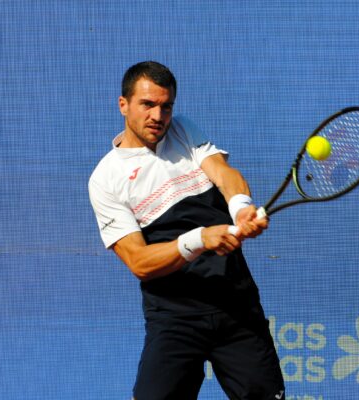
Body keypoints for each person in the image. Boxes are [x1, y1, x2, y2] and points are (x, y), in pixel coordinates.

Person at [88, 61, 285, 400]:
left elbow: (224, 173)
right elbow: (138, 262)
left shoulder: (182, 130)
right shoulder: (105, 179)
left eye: (166, 106)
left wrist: (240, 208)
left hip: (234, 303)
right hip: (175, 317)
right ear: (123, 104)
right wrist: (199, 239)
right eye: (147, 104)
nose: (158, 116)